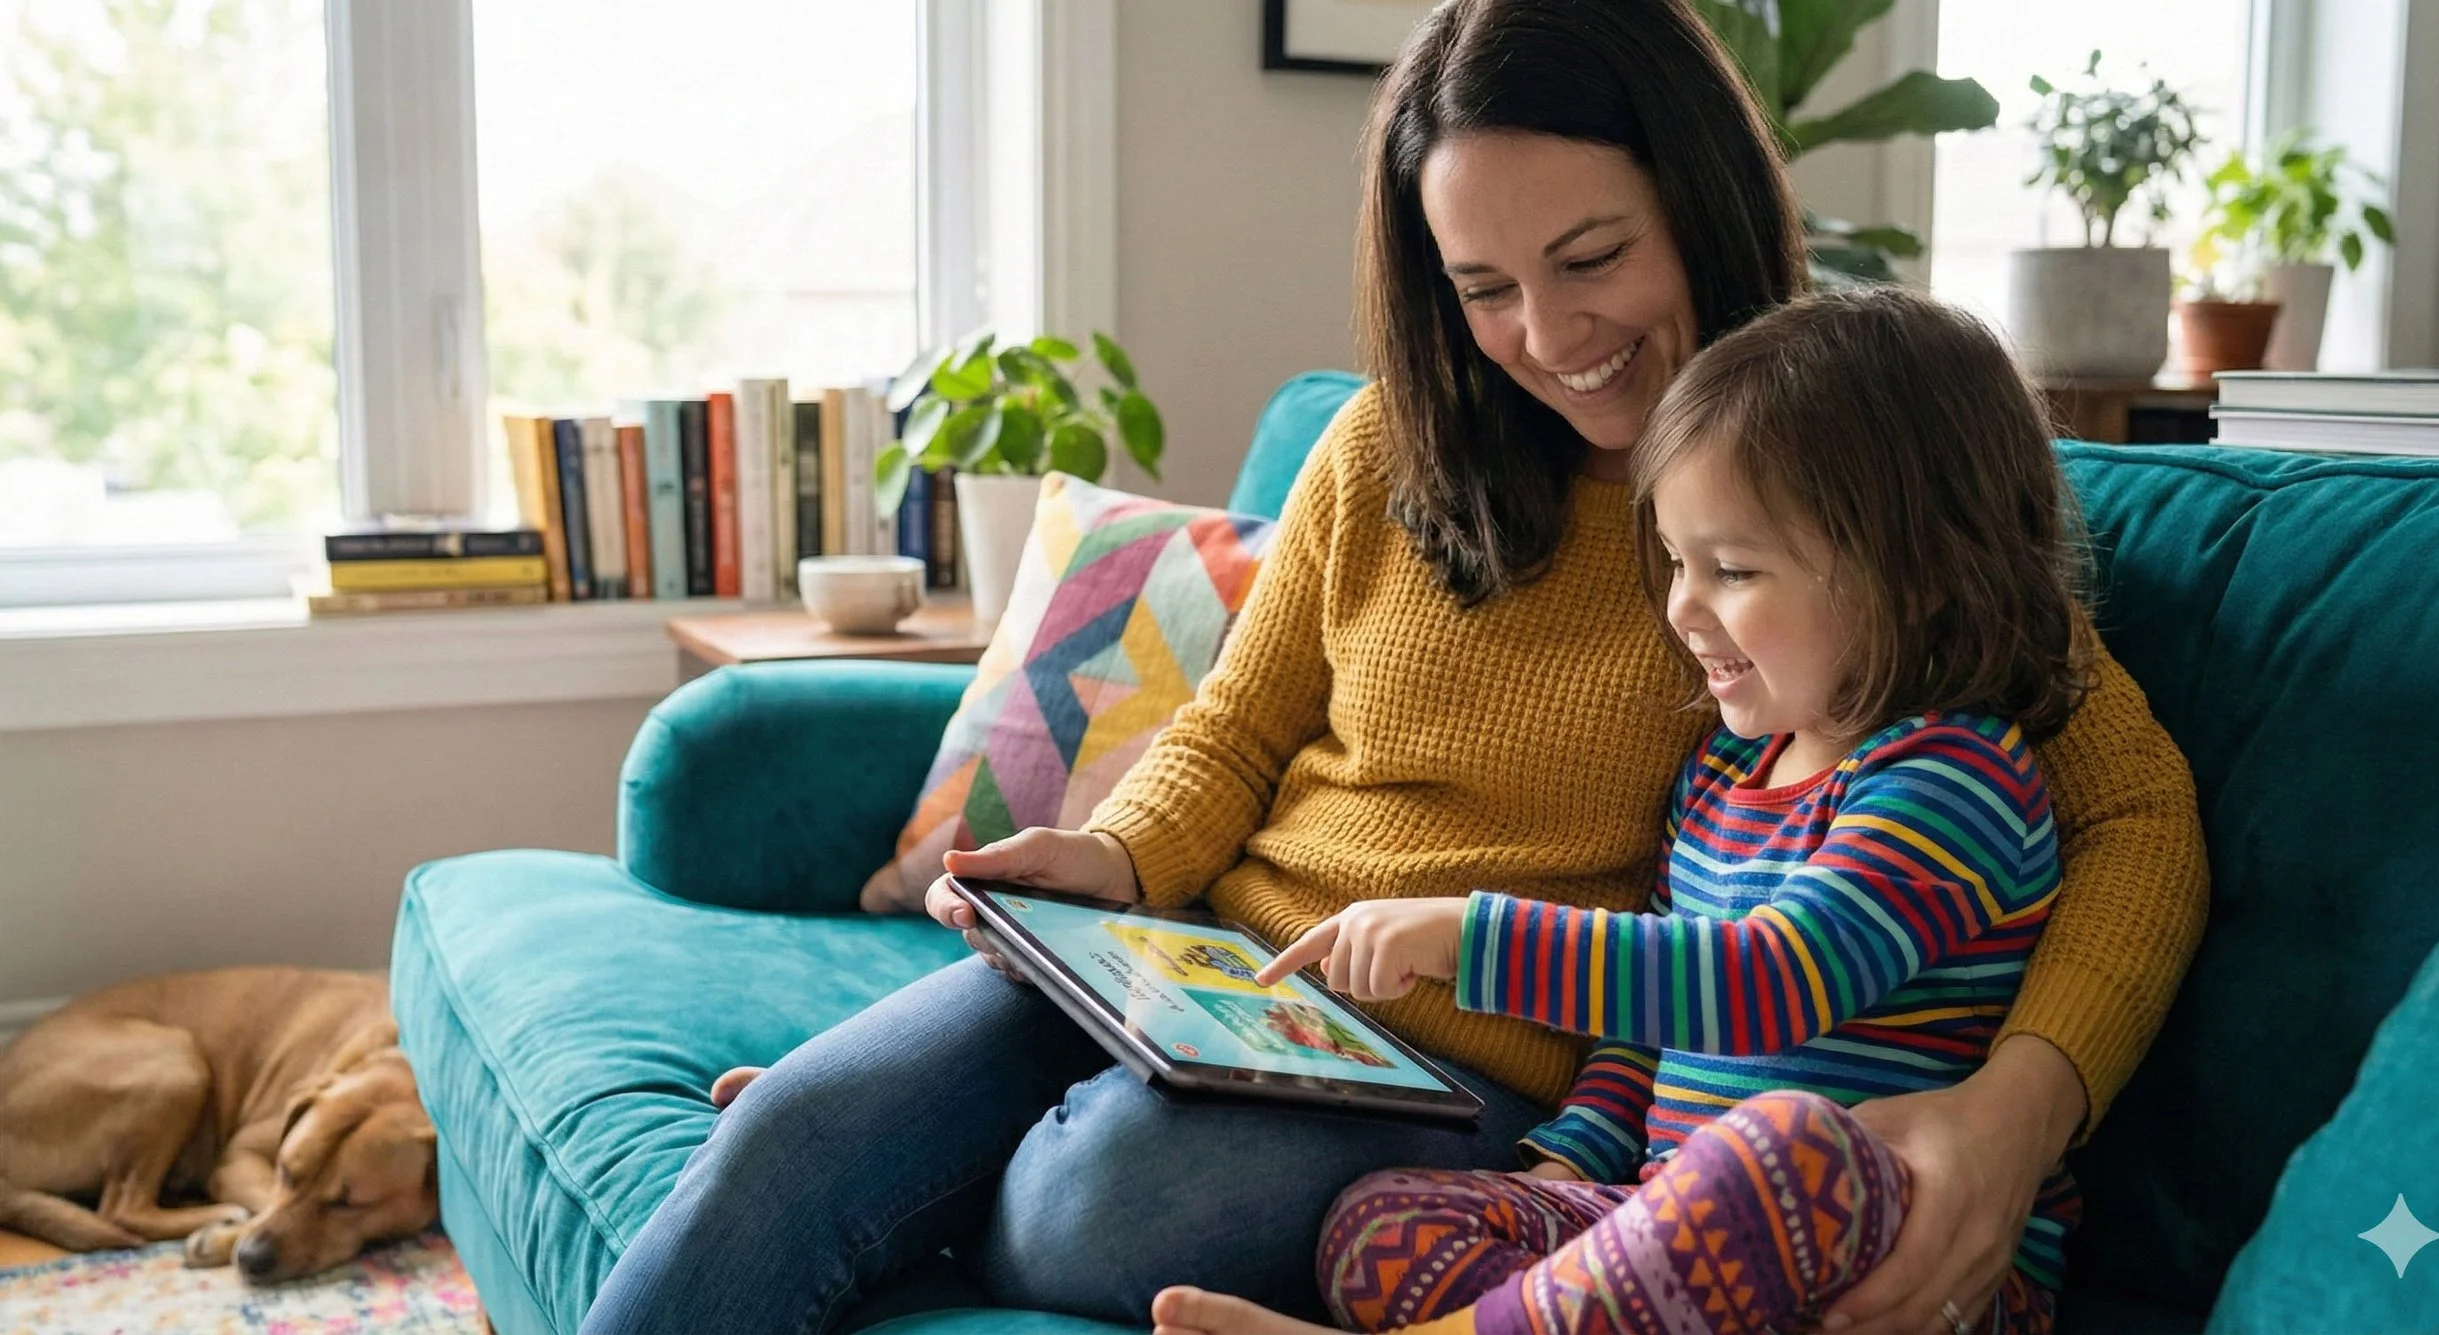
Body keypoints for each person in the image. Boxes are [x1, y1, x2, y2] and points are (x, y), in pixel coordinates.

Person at [581, 3, 2206, 1331]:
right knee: (788, 1139)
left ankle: (932, 1198)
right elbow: (1233, 732)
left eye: (1592, 260)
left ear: (1701, 201)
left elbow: (2133, 816)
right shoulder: (1382, 451)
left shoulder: (1847, 488)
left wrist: (2020, 1112)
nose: (1548, 335)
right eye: (1483, 287)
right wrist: (1116, 855)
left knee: (1098, 1213)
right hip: (1202, 979)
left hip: (1456, 1067)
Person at [1150, 286, 2090, 1335]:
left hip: (1893, 1275)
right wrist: (1566, 1162)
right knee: (1384, 1220)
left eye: (1731, 570)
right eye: (1677, 563)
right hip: (1667, 1241)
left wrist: (1469, 934)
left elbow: (1768, 983)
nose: (1683, 608)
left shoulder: (1951, 781)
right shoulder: (1725, 777)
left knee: (1791, 1144)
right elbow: (1641, 1037)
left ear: (1916, 574)